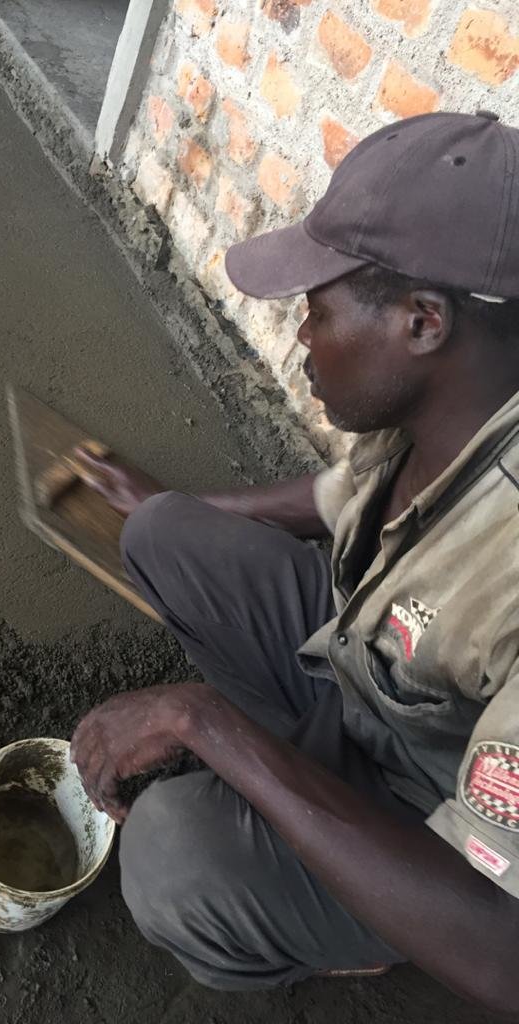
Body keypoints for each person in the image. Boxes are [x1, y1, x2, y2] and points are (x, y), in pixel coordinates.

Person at [69, 111, 519, 1015]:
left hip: (425, 803)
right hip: (361, 662)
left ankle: (359, 938)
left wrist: (207, 725)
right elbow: (338, 500)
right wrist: (165, 501)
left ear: (422, 321)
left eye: (316, 311)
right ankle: (300, 764)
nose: (300, 341)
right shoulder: (453, 402)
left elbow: (504, 955)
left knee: (170, 854)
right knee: (161, 534)